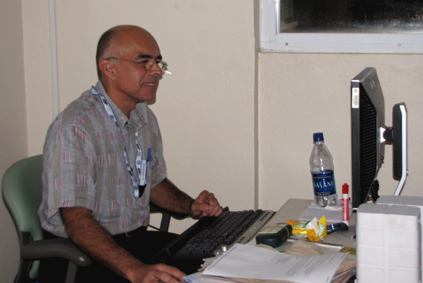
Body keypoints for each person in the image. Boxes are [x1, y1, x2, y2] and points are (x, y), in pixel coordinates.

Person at [38, 25, 223, 283]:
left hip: (135, 242)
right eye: (144, 62)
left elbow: (152, 183)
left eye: (158, 62)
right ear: (109, 68)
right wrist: (135, 269)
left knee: (218, 261)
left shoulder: (143, 116)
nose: (157, 71)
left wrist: (190, 206)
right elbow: (77, 223)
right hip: (83, 255)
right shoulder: (76, 128)